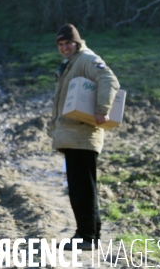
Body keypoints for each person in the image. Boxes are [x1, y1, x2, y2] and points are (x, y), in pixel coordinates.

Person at [49, 24, 120, 251]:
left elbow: (109, 79)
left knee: (82, 189)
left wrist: (102, 108)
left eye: (68, 43)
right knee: (82, 188)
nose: (64, 47)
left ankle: (86, 236)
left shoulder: (87, 58)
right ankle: (90, 234)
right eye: (60, 44)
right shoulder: (71, 63)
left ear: (77, 43)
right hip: (73, 136)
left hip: (82, 136)